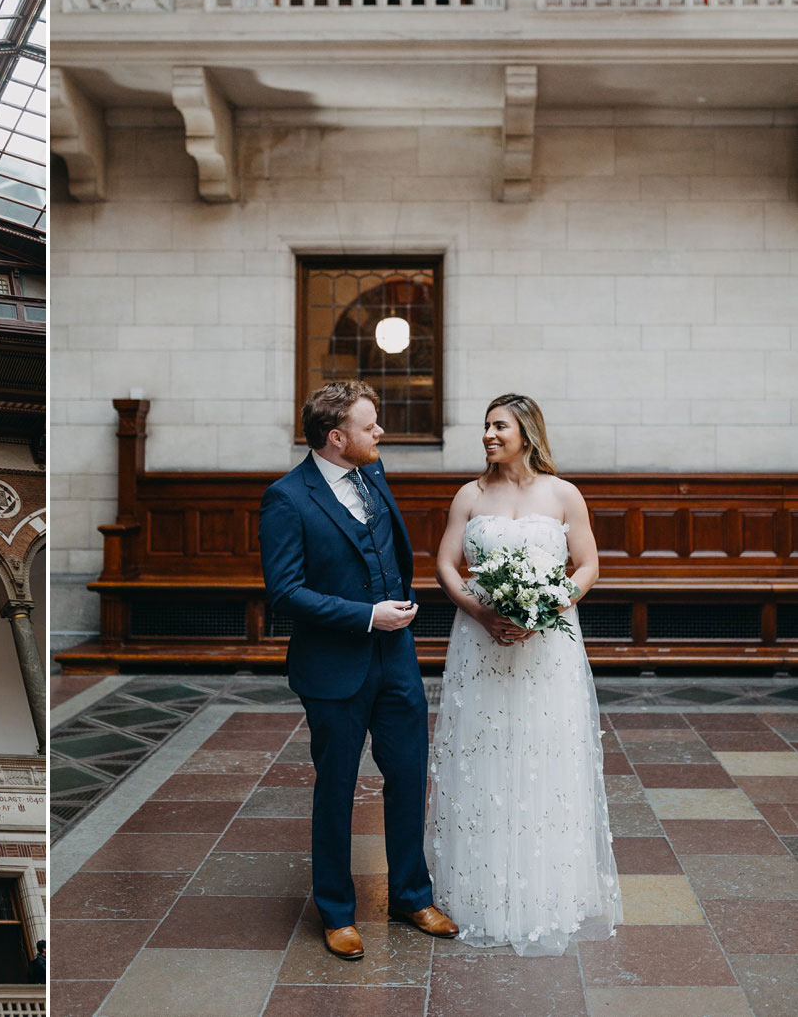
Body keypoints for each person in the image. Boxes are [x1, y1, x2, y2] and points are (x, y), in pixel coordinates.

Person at [259, 380, 458, 961]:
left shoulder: (373, 474)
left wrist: (399, 604)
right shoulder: (286, 498)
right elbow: (285, 593)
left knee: (407, 777)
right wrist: (367, 615)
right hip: (334, 668)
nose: (381, 434)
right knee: (337, 790)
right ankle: (337, 912)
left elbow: (390, 553)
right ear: (337, 437)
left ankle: (410, 896)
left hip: (396, 661)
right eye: (371, 427)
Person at [428, 393, 622, 955]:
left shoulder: (563, 494)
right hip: (480, 639)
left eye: (499, 426)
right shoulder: (470, 494)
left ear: (527, 431)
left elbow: (587, 564)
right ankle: (478, 889)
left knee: (544, 754)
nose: (488, 435)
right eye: (485, 426)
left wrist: (550, 607)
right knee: (483, 751)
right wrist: (480, 611)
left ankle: (548, 890)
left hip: (546, 648)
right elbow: (445, 563)